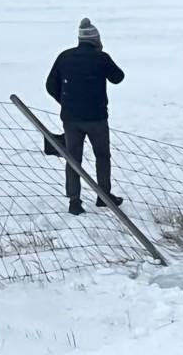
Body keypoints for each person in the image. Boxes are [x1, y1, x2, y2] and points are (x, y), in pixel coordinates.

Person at [46, 18, 126, 215]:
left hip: (71, 119)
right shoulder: (101, 58)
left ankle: (74, 200)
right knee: (102, 156)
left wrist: (65, 101)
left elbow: (50, 85)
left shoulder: (64, 57)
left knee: (73, 158)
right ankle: (103, 196)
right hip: (96, 117)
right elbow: (118, 77)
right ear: (96, 40)